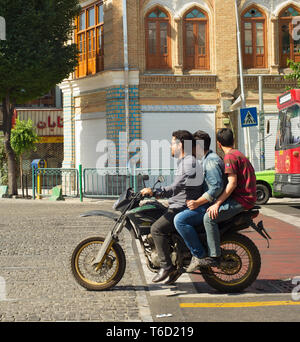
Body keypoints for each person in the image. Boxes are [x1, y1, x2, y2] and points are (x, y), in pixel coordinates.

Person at [184, 128, 257, 272]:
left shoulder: (229, 157)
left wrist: (217, 204)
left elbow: (232, 183)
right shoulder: (239, 154)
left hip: (242, 200)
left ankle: (214, 256)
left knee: (208, 218)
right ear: (233, 140)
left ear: (218, 143)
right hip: (246, 197)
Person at [140, 130, 203, 283]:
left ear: (180, 145)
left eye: (172, 142)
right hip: (179, 203)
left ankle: (166, 266)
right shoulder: (186, 161)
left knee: (156, 228)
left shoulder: (188, 162)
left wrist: (154, 192)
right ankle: (175, 264)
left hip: (183, 207)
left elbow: (175, 187)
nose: (170, 146)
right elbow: (180, 189)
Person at [174, 130, 226, 272]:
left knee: (180, 220)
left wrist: (197, 203)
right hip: (205, 203)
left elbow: (216, 188)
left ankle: (199, 255)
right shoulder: (204, 160)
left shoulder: (210, 161)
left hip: (208, 205)